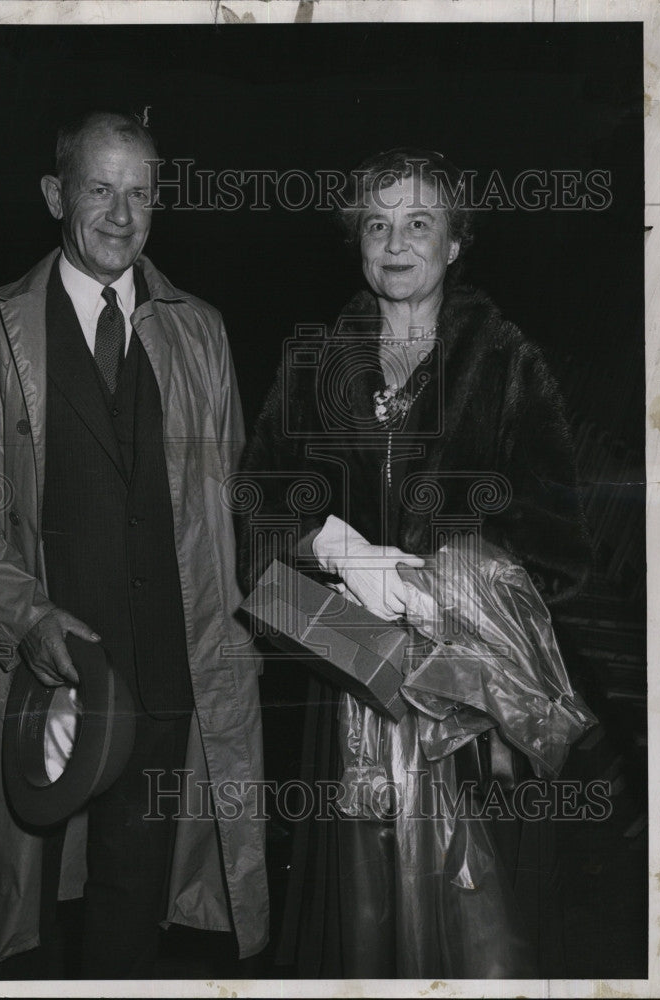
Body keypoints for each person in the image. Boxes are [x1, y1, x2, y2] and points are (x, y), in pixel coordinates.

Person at [0, 110, 267, 979]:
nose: (121, 214)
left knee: (129, 923)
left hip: (164, 683)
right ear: (55, 196)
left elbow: (224, 506)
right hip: (46, 683)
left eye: (141, 194)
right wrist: (25, 618)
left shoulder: (202, 332)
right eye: (100, 190)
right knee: (26, 919)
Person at [237, 147, 592, 978]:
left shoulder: (506, 363)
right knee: (362, 927)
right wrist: (340, 549)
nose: (395, 245)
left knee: (475, 923)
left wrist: (448, 587)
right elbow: (256, 497)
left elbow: (558, 547)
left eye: (419, 223)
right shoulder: (317, 359)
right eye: (377, 223)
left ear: (457, 242)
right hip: (350, 680)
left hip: (470, 703)